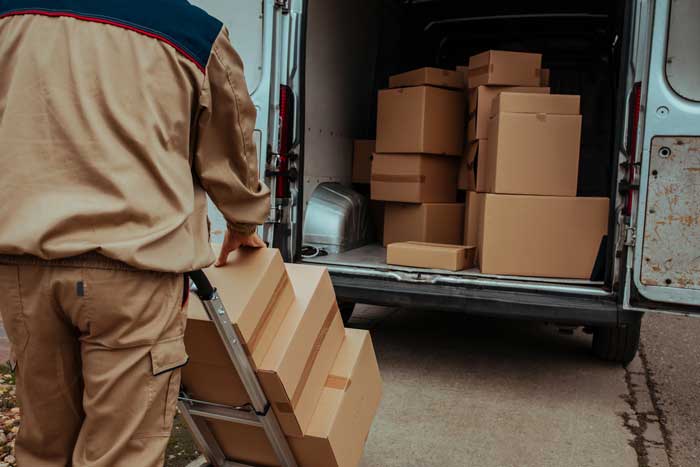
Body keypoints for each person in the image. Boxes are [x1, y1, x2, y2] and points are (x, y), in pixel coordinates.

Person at [0, 1, 270, 466]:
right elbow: (231, 147)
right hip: (133, 273)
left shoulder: (10, 17)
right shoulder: (193, 34)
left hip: (24, 269)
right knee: (121, 453)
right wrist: (243, 221)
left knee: (42, 446)